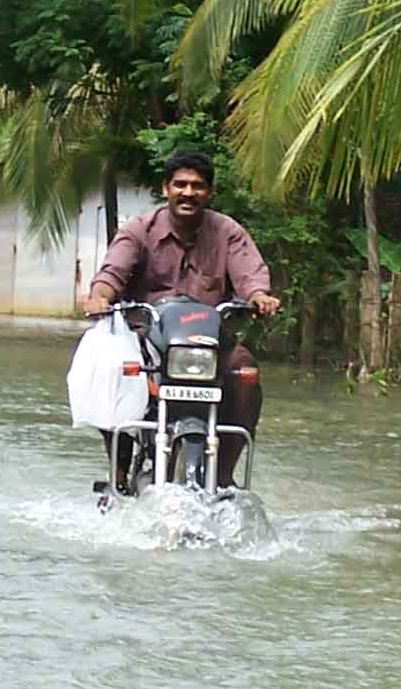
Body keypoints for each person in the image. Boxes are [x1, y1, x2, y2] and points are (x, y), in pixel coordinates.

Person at [85, 150, 281, 489]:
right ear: (166, 188)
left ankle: (225, 474)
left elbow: (250, 274)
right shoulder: (139, 230)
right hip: (146, 340)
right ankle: (117, 471)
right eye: (180, 184)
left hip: (209, 344)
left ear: (209, 192)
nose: (188, 192)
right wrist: (100, 295)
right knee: (107, 366)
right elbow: (112, 272)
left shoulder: (227, 232)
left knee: (245, 370)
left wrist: (259, 296)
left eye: (198, 186)